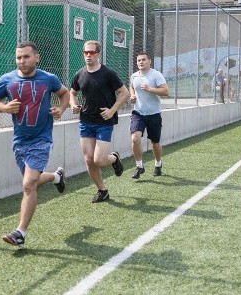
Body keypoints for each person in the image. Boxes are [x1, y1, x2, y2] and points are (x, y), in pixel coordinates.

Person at [0, 41, 70, 249]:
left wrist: (61, 110)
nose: (22, 61)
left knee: (28, 184)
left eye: (26, 57)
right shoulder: (6, 79)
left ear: (36, 57)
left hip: (41, 139)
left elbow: (64, 93)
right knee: (31, 181)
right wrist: (5, 108)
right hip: (20, 141)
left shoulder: (48, 78)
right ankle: (56, 177)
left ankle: (20, 233)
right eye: (18, 57)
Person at [70, 40, 130, 203]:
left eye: (92, 52)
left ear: (98, 54)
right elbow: (72, 93)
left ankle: (114, 158)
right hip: (85, 121)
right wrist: (73, 105)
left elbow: (124, 93)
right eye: (86, 52)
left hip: (104, 122)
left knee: (99, 160)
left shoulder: (108, 73)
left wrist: (112, 110)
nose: (88, 55)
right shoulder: (79, 74)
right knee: (89, 159)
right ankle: (102, 190)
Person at [128, 51, 169, 179]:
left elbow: (166, 91)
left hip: (154, 114)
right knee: (135, 138)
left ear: (149, 61)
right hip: (138, 113)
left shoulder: (156, 75)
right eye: (139, 60)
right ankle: (139, 166)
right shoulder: (134, 76)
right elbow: (131, 87)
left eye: (143, 60)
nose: (141, 62)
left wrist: (150, 89)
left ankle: (158, 164)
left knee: (155, 142)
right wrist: (132, 95)